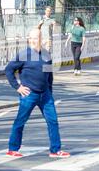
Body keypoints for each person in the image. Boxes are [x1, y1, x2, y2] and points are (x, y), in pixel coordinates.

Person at [5, 29, 70, 158]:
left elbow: (49, 75)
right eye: (31, 38)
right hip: (29, 94)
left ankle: (55, 150)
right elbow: (8, 70)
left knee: (53, 121)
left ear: (41, 39)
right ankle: (13, 149)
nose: (33, 41)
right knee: (20, 121)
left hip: (45, 95)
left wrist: (50, 91)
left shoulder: (46, 55)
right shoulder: (24, 54)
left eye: (36, 38)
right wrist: (17, 87)